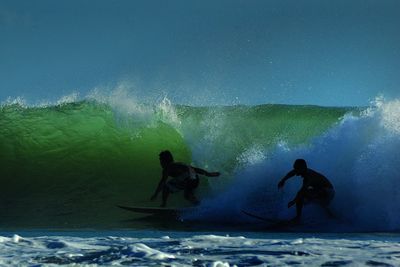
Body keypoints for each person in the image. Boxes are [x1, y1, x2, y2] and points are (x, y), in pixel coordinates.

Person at [151, 150, 220, 207]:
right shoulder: (178, 164)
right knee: (187, 195)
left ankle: (163, 204)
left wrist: (155, 194)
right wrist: (208, 174)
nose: (160, 163)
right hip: (194, 179)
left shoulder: (168, 168)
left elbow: (162, 182)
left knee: (166, 187)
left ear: (165, 161)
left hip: (189, 179)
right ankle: (200, 206)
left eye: (161, 161)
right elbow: (194, 169)